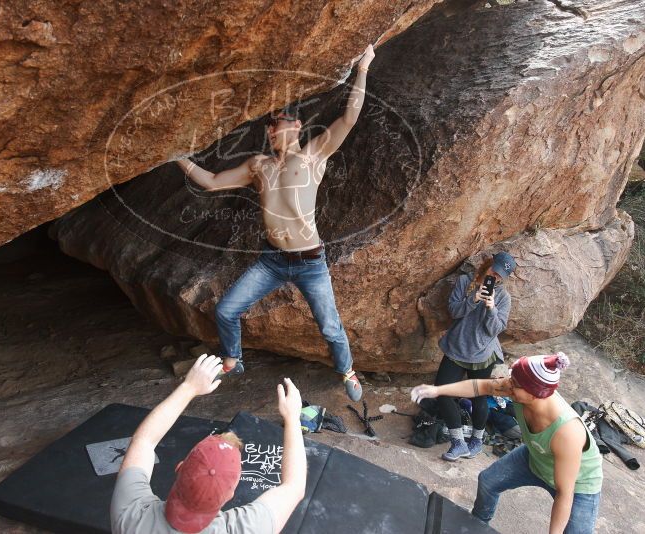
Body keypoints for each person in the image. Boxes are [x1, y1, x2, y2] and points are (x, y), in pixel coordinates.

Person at [175, 45, 376, 402]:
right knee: (225, 310)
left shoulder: (314, 154)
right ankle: (232, 358)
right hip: (271, 260)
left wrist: (363, 68)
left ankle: (347, 370)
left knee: (330, 327)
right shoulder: (258, 166)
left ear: (297, 125)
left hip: (310, 262)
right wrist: (178, 157)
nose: (272, 131)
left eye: (279, 123)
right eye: (269, 127)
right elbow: (211, 182)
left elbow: (349, 118)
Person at [111, 354, 307, 533]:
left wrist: (189, 388)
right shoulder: (246, 528)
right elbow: (294, 486)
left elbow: (144, 441)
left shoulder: (130, 515)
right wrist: (292, 419)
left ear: (179, 468)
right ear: (231, 494)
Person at [411, 353, 603, 534]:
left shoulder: (567, 432)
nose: (507, 386)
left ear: (535, 394)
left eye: (515, 384)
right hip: (537, 457)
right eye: (511, 380)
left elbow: (565, 493)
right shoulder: (519, 389)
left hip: (578, 484)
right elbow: (480, 386)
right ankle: (477, 525)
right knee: (489, 481)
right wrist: (437, 390)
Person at [433, 251, 516, 461]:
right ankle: (459, 442)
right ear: (488, 264)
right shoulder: (465, 282)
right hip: (457, 348)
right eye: (493, 271)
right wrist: (473, 299)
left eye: (499, 277)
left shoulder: (503, 297)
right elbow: (453, 311)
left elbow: (495, 329)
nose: (494, 278)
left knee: (479, 398)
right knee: (443, 393)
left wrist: (491, 308)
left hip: (482, 354)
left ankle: (477, 440)